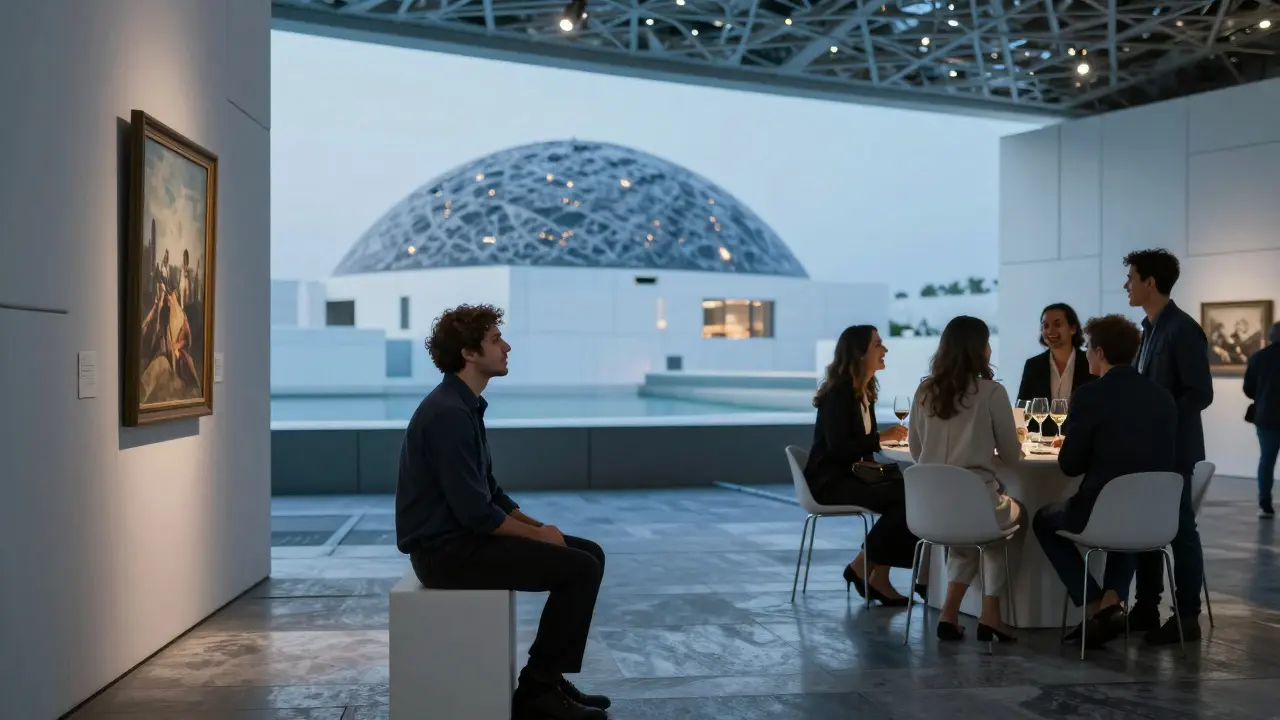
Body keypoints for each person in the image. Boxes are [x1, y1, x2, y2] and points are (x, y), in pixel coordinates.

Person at [395, 304, 610, 720]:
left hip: (462, 542)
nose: (507, 347)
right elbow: (477, 513)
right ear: (469, 353)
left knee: (590, 554)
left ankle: (545, 677)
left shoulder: (463, 405)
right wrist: (537, 536)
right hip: (446, 556)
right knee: (579, 569)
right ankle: (537, 691)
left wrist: (538, 526)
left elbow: (490, 490)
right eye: (496, 340)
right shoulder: (448, 414)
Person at [1033, 314, 1178, 647]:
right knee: (1126, 516)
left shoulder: (1089, 396)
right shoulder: (1162, 396)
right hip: (1154, 515)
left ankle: (1098, 604)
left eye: (1088, 350)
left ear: (1098, 352)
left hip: (1102, 513)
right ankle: (1113, 599)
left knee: (1043, 520)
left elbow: (1070, 466)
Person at [908, 315, 1025, 643]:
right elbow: (1013, 456)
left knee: (967, 533)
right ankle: (992, 614)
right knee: (1009, 523)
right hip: (976, 505)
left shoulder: (923, 391)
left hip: (931, 511)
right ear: (981, 350)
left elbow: (916, 452)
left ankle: (949, 612)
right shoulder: (992, 392)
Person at [1123, 248, 1211, 644]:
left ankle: (1186, 617)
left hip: (1173, 451)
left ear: (1150, 283)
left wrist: (1160, 420)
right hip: (1148, 451)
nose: (1127, 284)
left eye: (1131, 277)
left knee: (1179, 531)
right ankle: (1145, 607)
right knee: (1145, 527)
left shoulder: (1182, 329)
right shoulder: (1149, 328)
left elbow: (1200, 393)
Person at [804, 324, 921, 606]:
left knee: (916, 494)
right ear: (859, 353)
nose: (885, 350)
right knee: (908, 500)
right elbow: (839, 448)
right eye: (878, 345)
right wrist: (879, 439)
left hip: (852, 476)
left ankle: (874, 572)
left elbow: (859, 444)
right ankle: (864, 568)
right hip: (830, 482)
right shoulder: (839, 393)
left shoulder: (865, 390)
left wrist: (879, 441)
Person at [1016, 303, 1096, 437]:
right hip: (1042, 444)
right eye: (1045, 326)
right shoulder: (1033, 365)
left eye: (1057, 325)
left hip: (1082, 444)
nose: (1050, 331)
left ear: (1072, 328)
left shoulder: (1090, 362)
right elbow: (1021, 410)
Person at [1245, 322, 1280, 518]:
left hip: (1266, 416)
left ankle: (1265, 503)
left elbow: (1248, 389)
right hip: (1268, 416)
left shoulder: (1259, 358)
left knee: (1266, 460)